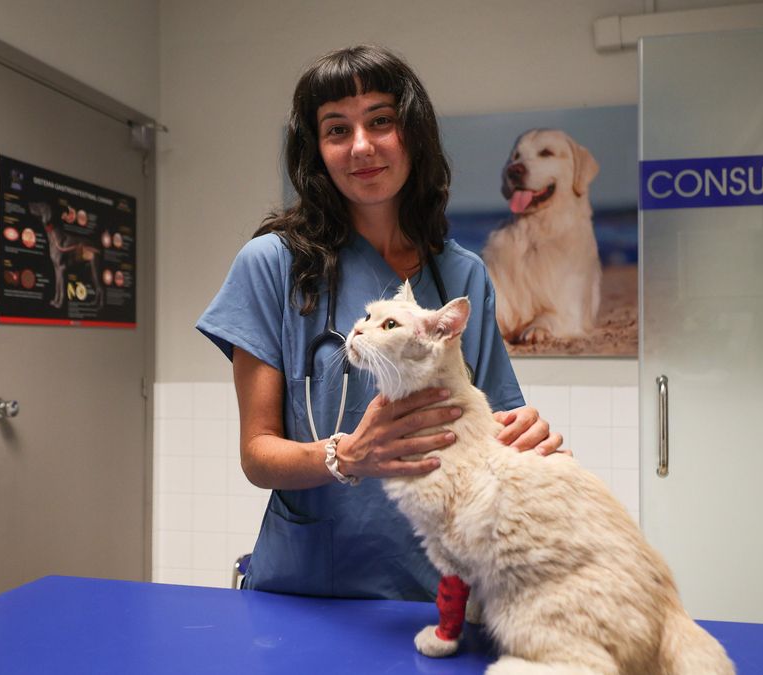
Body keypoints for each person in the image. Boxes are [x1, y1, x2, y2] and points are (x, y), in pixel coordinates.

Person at [197, 45, 563, 601]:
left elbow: (497, 428)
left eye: (381, 121)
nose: (361, 146)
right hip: (311, 591)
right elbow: (258, 455)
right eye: (336, 129)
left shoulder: (461, 276)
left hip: (442, 587)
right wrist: (347, 455)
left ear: (412, 133)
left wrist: (527, 436)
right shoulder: (273, 265)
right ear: (316, 150)